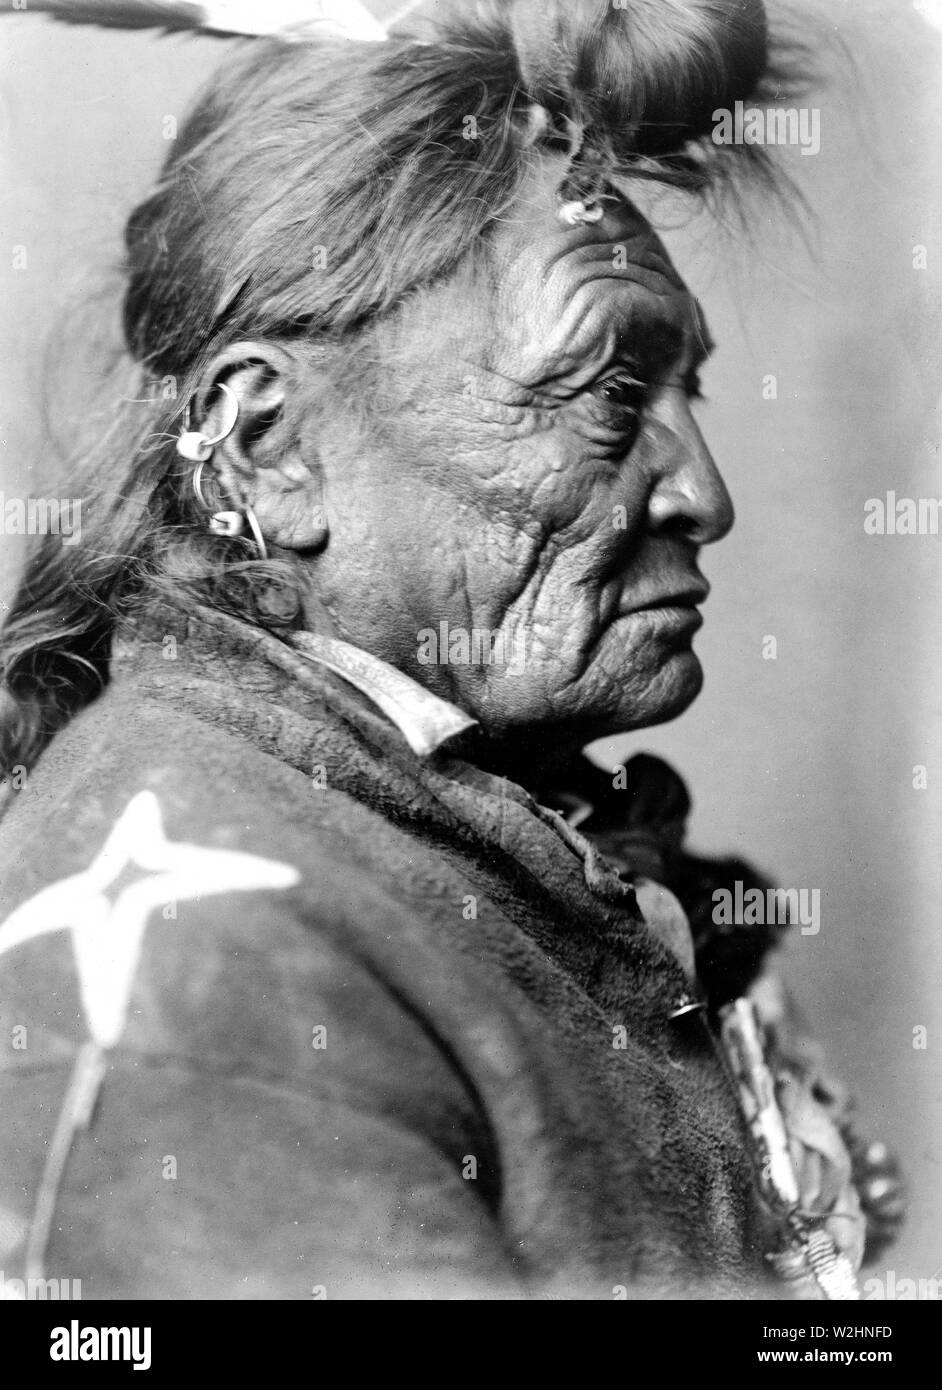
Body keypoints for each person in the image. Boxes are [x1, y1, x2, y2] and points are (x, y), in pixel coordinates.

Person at [0, 0, 903, 1299]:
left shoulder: (543, 843)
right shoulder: (194, 965)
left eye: (683, 392)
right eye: (599, 395)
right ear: (270, 446)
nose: (701, 496)